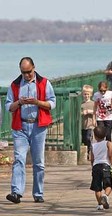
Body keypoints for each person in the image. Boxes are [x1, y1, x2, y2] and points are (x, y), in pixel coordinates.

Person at [5, 57, 56, 204]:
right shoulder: (15, 85)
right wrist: (19, 102)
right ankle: (16, 192)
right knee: (19, 159)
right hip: (20, 126)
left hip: (38, 126)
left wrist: (37, 102)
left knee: (38, 162)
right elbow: (8, 106)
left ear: (34, 67)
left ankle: (38, 193)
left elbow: (52, 103)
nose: (26, 75)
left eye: (29, 72)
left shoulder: (44, 83)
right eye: (23, 72)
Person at [90, 126, 112, 210]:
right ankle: (105, 195)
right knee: (108, 185)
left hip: (96, 167)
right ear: (105, 134)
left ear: (95, 136)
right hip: (106, 166)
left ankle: (100, 204)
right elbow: (111, 156)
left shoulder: (93, 146)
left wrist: (92, 166)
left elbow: (91, 158)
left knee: (97, 188)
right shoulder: (108, 143)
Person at [81, 84, 95, 159]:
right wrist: (82, 113)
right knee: (83, 139)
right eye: (85, 94)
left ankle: (89, 151)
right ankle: (86, 152)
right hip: (83, 124)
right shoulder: (81, 104)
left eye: (88, 94)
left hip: (90, 125)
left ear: (91, 95)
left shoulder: (93, 103)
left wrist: (90, 111)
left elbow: (96, 112)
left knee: (88, 138)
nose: (86, 96)